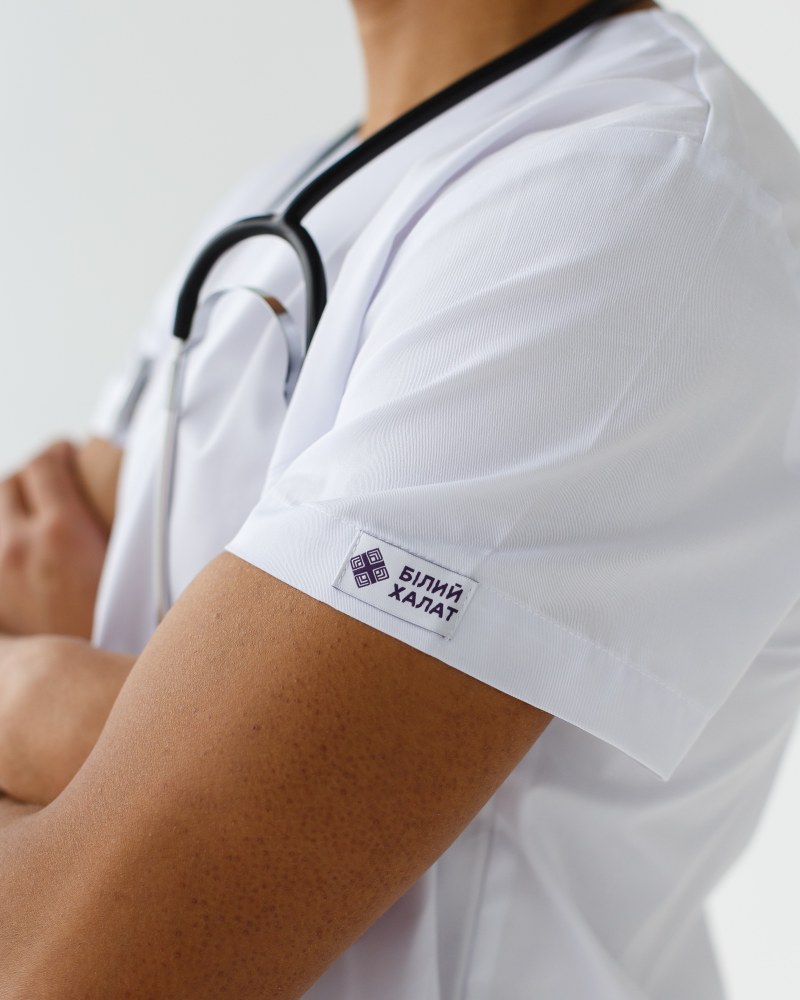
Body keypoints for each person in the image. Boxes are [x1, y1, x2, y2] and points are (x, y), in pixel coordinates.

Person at [1, 0, 799, 995]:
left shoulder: (635, 198)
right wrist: (104, 732)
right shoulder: (283, 203)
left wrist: (44, 695)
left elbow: (70, 963)